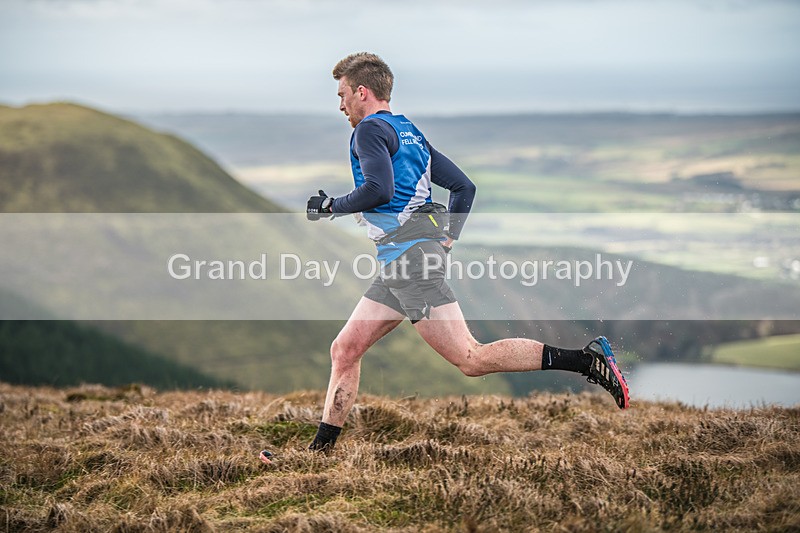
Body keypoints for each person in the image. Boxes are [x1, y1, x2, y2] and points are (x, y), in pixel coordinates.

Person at [260, 52, 628, 462]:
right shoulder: (408, 130)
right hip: (406, 259)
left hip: (409, 261)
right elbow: (463, 187)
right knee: (345, 349)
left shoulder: (367, 131)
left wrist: (330, 206)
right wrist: (448, 238)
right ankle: (320, 453)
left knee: (470, 358)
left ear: (362, 92)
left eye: (343, 94)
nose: (340, 104)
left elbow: (378, 190)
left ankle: (586, 360)